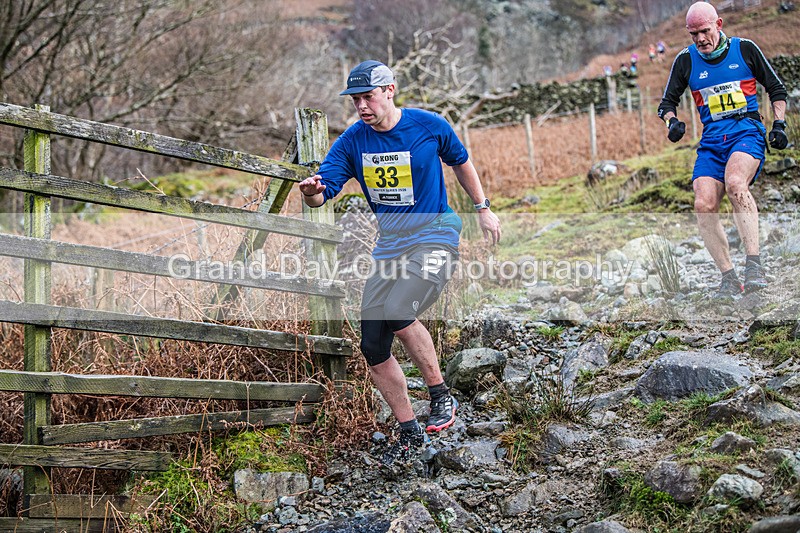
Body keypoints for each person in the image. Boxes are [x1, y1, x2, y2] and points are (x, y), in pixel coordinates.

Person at [298, 60, 501, 464]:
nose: (361, 106)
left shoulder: (429, 125)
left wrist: (482, 207)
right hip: (390, 248)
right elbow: (325, 192)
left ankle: (441, 397)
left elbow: (461, 160)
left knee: (398, 310)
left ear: (390, 90)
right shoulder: (353, 142)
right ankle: (409, 431)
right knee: (372, 343)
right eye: (355, 100)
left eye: (368, 97)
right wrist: (311, 193)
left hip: (436, 236)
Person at [658, 2, 788, 299]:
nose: (700, 39)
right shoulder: (686, 61)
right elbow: (667, 103)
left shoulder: (744, 49)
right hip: (712, 142)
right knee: (703, 204)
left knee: (735, 184)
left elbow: (776, 88)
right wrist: (672, 122)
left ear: (718, 24)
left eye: (704, 31)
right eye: (693, 34)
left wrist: (779, 124)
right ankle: (729, 278)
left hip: (746, 133)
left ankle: (754, 265)